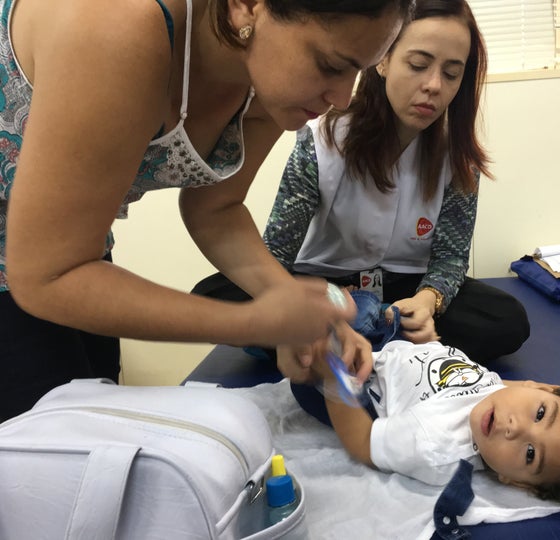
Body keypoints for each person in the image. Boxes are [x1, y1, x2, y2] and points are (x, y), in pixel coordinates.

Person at [0, 0, 415, 422]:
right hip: (42, 263)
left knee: (93, 412)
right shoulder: (118, 22)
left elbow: (217, 208)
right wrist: (251, 324)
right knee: (47, 437)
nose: (342, 99)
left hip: (66, 248)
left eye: (359, 69)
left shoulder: (266, 74)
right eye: (330, 65)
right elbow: (48, 276)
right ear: (247, 6)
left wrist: (292, 305)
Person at [193, 0, 530, 376]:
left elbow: (450, 258)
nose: (433, 85)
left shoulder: (458, 157)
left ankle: (356, 338)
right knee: (217, 295)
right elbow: (276, 253)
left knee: (506, 319)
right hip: (326, 285)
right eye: (418, 65)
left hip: (406, 289)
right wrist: (329, 298)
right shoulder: (322, 138)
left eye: (451, 74)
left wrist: (427, 299)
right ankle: (380, 341)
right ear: (381, 60)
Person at [312, 337, 560, 503]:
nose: (514, 427)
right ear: (543, 387)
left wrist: (331, 375)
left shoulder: (435, 447)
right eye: (541, 413)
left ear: (514, 481)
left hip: (359, 382)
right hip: (389, 346)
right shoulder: (499, 394)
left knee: (308, 328)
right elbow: (510, 387)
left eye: (530, 454)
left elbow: (364, 443)